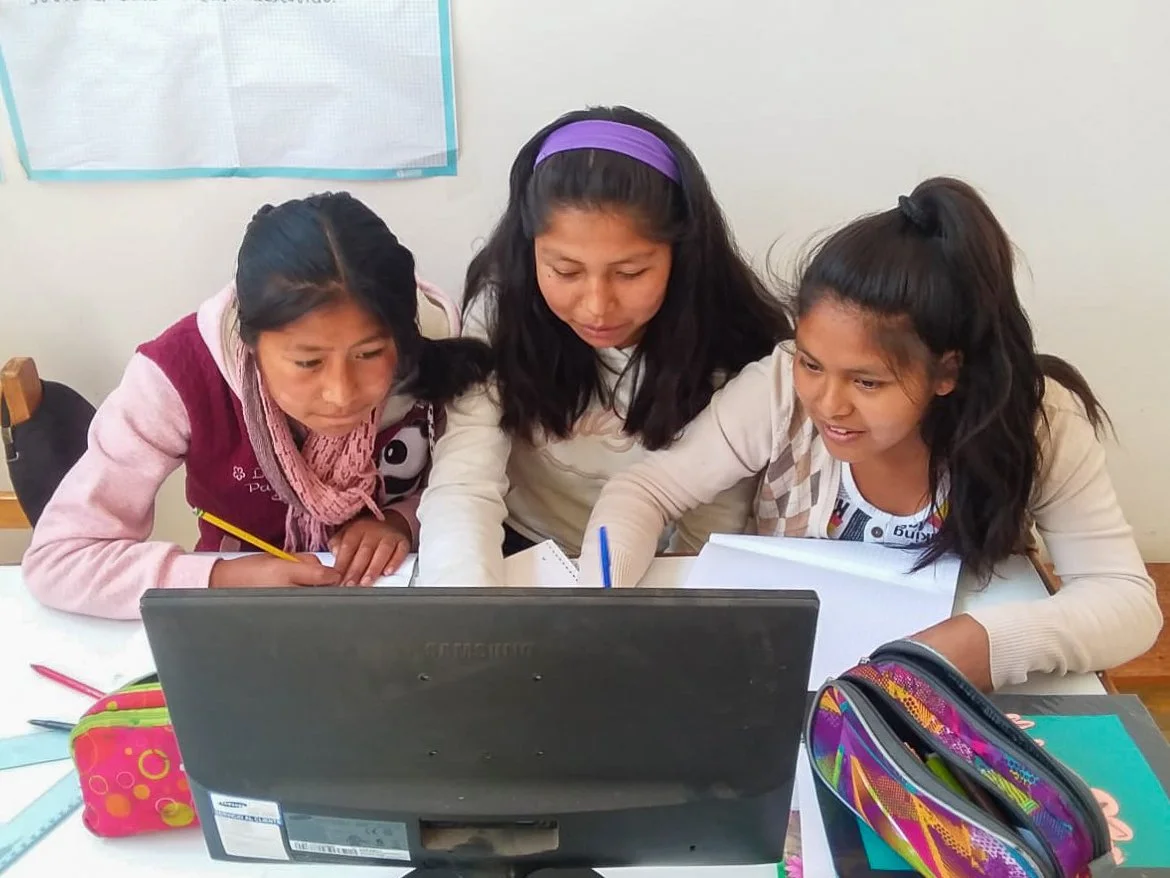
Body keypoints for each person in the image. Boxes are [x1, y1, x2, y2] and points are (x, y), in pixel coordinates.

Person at [579, 177, 1161, 691]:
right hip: (781, 684)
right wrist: (600, 600)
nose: (829, 403)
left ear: (947, 372)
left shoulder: (1037, 419)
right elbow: (647, 491)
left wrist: (984, 644)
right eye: (812, 363)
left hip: (950, 701)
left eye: (868, 381)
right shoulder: (780, 389)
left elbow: (1127, 602)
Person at [23, 192, 491, 619]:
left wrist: (401, 521)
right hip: (239, 616)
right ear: (249, 341)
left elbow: (472, 489)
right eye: (307, 362)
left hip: (395, 607)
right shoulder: (180, 375)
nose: (341, 394)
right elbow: (59, 559)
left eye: (369, 354)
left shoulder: (440, 355)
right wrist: (224, 578)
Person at [416, 106, 792, 584]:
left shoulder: (732, 338)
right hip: (520, 550)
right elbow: (465, 481)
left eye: (630, 273)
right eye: (565, 271)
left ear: (682, 253)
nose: (597, 306)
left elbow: (710, 529)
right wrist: (467, 616)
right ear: (529, 247)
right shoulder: (502, 310)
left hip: (657, 562)